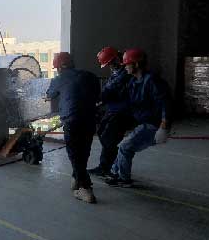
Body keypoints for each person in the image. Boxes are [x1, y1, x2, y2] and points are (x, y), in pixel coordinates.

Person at [106, 48, 169, 187]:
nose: (124, 67)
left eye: (127, 64)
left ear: (136, 64)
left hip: (153, 125)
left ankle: (123, 179)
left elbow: (165, 103)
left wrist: (163, 127)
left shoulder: (152, 80)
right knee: (125, 146)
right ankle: (115, 172)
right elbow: (129, 102)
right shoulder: (134, 82)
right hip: (144, 123)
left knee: (124, 146)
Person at [46, 52, 100, 203]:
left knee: (75, 155)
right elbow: (97, 96)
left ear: (59, 67)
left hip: (72, 121)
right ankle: (76, 178)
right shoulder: (90, 76)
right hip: (90, 120)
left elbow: (49, 95)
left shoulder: (58, 79)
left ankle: (85, 189)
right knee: (84, 152)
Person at [88, 47, 132, 177]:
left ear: (117, 59)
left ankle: (107, 167)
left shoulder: (124, 74)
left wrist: (95, 99)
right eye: (108, 64)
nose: (110, 66)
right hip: (112, 109)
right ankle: (110, 165)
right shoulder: (117, 72)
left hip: (121, 112)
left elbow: (109, 90)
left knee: (109, 139)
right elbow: (108, 88)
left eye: (111, 63)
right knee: (102, 133)